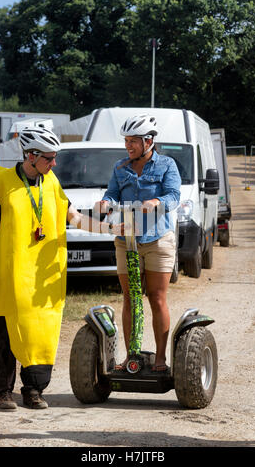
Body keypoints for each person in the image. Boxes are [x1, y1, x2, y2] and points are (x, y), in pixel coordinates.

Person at [0, 127, 123, 410]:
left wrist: (108, 228)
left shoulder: (51, 182)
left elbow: (74, 217)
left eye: (54, 157)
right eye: (48, 158)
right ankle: (1, 392)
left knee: (42, 330)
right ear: (30, 156)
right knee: (7, 329)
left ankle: (33, 390)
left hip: (44, 275)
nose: (53, 163)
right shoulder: (5, 182)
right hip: (11, 273)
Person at [95, 114, 181, 372]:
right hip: (126, 239)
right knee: (130, 297)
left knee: (156, 298)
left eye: (133, 141)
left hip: (157, 240)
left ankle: (160, 358)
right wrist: (106, 203)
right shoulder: (120, 168)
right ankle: (131, 356)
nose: (128, 146)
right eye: (126, 141)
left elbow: (174, 195)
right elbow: (111, 193)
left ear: (149, 141)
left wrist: (157, 202)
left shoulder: (167, 165)